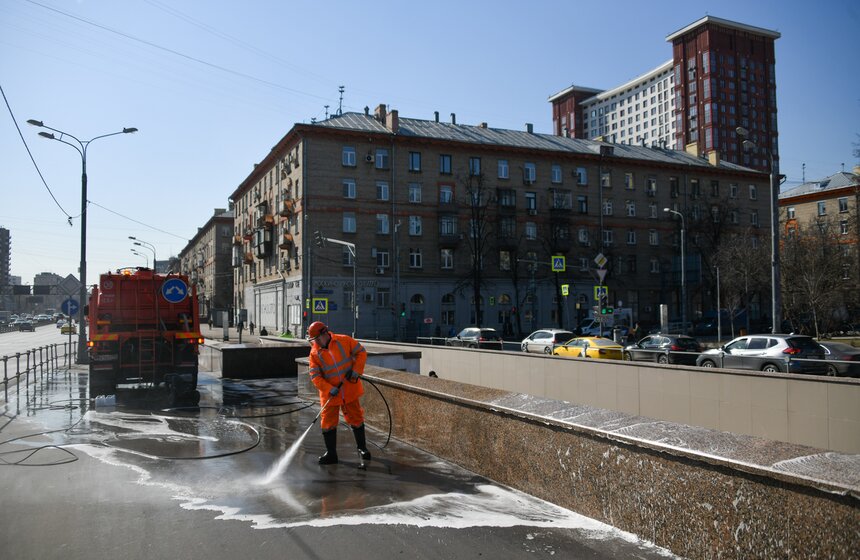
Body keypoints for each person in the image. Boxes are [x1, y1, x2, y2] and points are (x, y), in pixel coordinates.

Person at [307, 321, 370, 465]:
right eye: (313, 340)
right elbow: (315, 377)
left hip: (349, 389)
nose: (315, 342)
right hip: (330, 394)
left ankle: (362, 448)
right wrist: (329, 389)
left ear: (324, 334)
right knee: (328, 423)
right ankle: (331, 454)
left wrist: (356, 371)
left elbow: (361, 352)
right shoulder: (314, 353)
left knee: (356, 417)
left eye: (317, 338)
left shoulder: (344, 340)